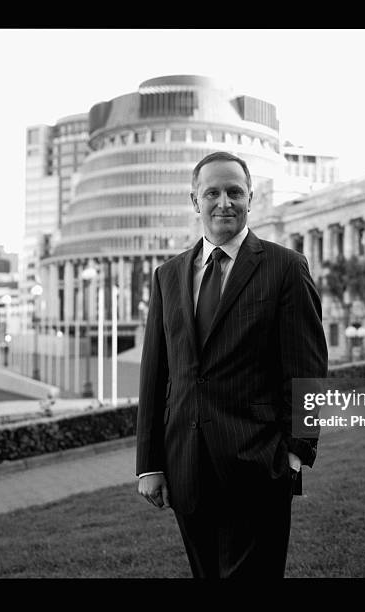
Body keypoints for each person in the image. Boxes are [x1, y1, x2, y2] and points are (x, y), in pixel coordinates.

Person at [136, 151, 328, 578]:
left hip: (259, 465)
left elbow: (307, 370)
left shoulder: (285, 266)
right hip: (186, 466)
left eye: (234, 192)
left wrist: (296, 454)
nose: (224, 202)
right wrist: (150, 463)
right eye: (212, 193)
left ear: (250, 198)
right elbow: (155, 376)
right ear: (195, 201)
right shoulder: (168, 275)